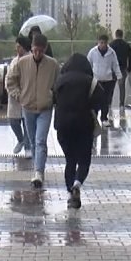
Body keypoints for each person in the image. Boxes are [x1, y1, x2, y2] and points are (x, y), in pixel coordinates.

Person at [54, 53, 107, 209]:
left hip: (63, 126)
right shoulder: (92, 82)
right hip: (84, 125)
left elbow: (54, 100)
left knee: (70, 160)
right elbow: (102, 101)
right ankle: (77, 183)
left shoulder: (59, 81)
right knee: (84, 160)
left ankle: (71, 193)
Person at [7, 34, 60, 187]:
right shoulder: (22, 63)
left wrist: (52, 97)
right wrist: (19, 95)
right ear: (31, 48)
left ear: (45, 49)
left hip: (45, 108)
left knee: (40, 140)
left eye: (41, 51)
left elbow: (58, 84)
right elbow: (10, 80)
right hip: (27, 107)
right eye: (35, 50)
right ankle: (38, 170)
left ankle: (39, 172)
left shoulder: (53, 65)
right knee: (32, 140)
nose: (37, 54)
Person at [5, 36, 32, 158]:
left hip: (28, 96)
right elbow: (9, 78)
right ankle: (20, 139)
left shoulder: (31, 59)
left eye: (19, 46)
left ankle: (28, 146)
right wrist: (13, 92)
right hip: (14, 97)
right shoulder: (14, 61)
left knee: (27, 123)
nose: (16, 48)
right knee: (13, 121)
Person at [86, 34, 122, 124]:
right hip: (96, 80)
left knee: (105, 100)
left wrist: (119, 76)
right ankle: (94, 118)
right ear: (98, 42)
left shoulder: (111, 53)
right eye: (101, 43)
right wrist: (87, 75)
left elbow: (115, 65)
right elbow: (88, 63)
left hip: (108, 80)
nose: (102, 45)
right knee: (95, 100)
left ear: (107, 43)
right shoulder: (93, 52)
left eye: (104, 43)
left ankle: (104, 118)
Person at [110, 29, 131, 113]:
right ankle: (121, 105)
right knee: (122, 87)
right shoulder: (126, 45)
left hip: (113, 69)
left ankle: (109, 104)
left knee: (111, 87)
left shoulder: (111, 45)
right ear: (122, 35)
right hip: (122, 69)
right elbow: (130, 58)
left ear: (115, 35)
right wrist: (129, 69)